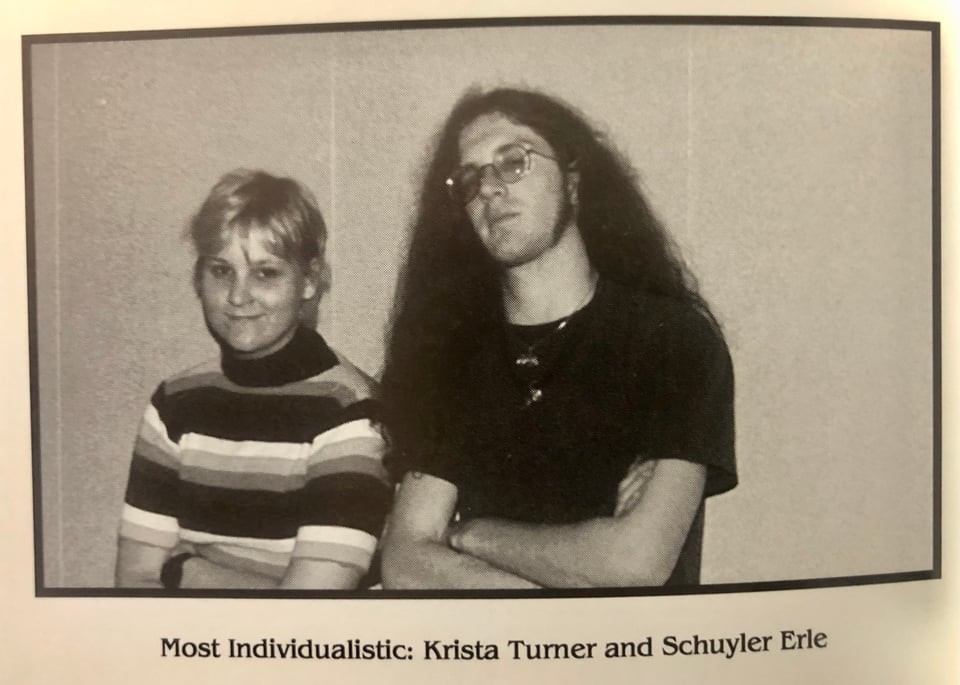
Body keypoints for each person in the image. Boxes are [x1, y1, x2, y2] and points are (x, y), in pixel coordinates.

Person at [380, 87, 736, 589]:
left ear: (573, 181)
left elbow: (634, 563)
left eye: (512, 161)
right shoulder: (451, 355)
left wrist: (468, 534)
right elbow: (405, 565)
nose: (488, 188)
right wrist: (560, 603)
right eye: (469, 177)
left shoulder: (673, 340)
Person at [115, 169, 391, 589]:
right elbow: (135, 580)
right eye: (222, 271)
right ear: (199, 278)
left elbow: (309, 614)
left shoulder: (350, 411)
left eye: (266, 273)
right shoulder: (175, 403)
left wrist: (189, 571)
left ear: (309, 280)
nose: (239, 296)